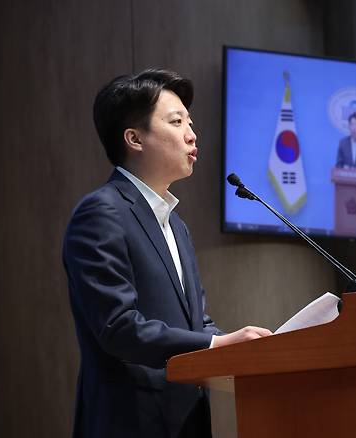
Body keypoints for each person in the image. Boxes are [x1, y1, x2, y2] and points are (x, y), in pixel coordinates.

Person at [62, 69, 272, 438]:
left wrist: (245, 349)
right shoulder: (101, 213)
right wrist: (217, 344)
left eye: (190, 122)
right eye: (176, 122)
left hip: (186, 420)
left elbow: (195, 324)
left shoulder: (176, 224)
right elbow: (118, 327)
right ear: (134, 138)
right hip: (130, 423)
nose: (192, 134)